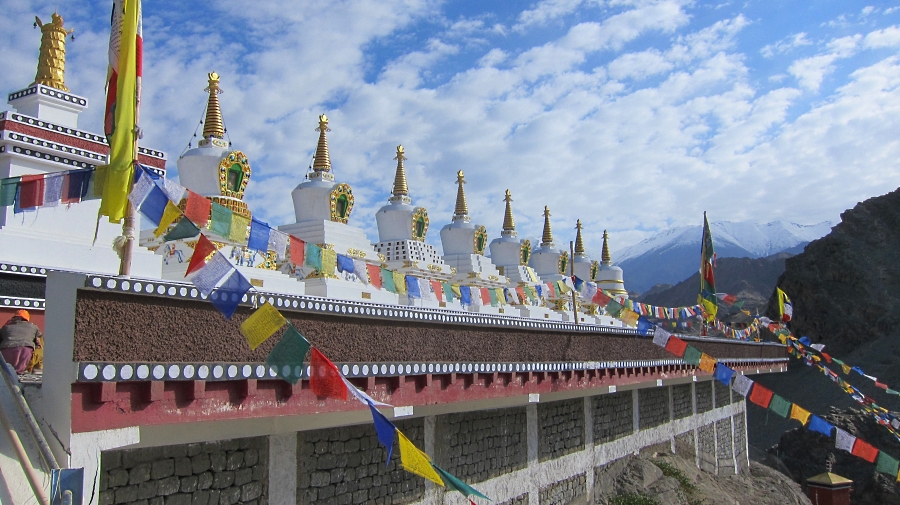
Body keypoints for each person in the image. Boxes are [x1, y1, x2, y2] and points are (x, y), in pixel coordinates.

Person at [0, 310, 43, 374]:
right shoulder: (33, 327)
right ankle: (38, 368)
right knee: (41, 342)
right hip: (25, 356)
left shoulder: (6, 327)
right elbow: (38, 342)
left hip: (5, 358)